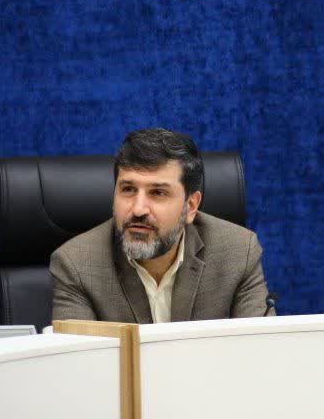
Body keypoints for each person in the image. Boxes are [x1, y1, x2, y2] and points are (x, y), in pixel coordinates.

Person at [50, 128, 273, 323]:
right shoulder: (77, 265)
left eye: (158, 193)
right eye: (128, 189)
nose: (138, 209)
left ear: (191, 206)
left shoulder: (239, 253)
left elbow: (260, 350)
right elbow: (79, 358)